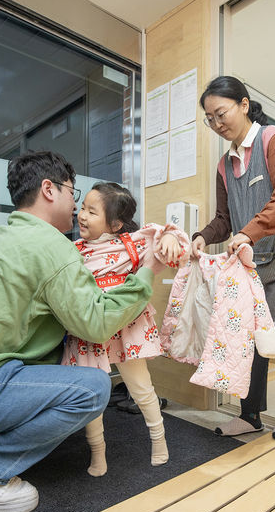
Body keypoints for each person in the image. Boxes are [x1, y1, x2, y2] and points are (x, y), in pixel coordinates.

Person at [0, 151, 158, 512]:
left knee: (53, 357)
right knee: (93, 388)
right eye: (73, 195)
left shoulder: (10, 235)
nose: (77, 209)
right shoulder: (52, 247)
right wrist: (146, 273)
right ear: (49, 189)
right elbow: (97, 323)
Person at [191, 76, 275, 442]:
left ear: (244, 104)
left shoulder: (273, 139)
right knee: (247, 348)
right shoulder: (224, 165)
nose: (217, 124)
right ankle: (250, 415)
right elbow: (226, 219)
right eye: (210, 119)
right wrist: (202, 238)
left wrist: (248, 233)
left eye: (221, 113)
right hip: (253, 272)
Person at [61, 182, 189, 476]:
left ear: (115, 223)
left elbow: (171, 240)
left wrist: (170, 237)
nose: (82, 215)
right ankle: (98, 453)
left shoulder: (132, 243)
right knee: (93, 396)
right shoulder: (73, 250)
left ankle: (159, 440)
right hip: (89, 328)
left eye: (92, 211)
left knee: (142, 388)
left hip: (128, 327)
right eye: (82, 208)